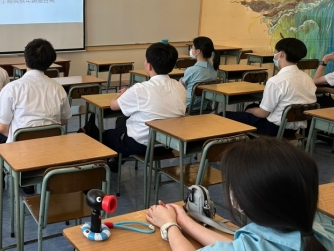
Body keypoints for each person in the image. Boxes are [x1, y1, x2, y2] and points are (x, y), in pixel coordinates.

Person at [146, 137, 334, 251]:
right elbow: (236, 246)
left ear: (253, 198)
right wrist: (183, 220)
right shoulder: (317, 226)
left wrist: (169, 225)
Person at [0, 39, 71, 197]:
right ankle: (28, 186)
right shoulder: (58, 88)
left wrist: (19, 135)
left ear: (25, 60)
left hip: (21, 156)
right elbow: (64, 120)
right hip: (52, 153)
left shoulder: (12, 88)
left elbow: (2, 128)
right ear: (50, 63)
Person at [102, 42, 186, 170]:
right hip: (170, 144)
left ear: (149, 66)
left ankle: (112, 165)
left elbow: (113, 106)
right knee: (122, 120)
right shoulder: (180, 87)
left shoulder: (140, 89)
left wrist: (119, 95)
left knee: (106, 135)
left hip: (142, 146)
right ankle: (117, 159)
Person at [225, 38, 316, 136]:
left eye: (276, 52)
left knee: (224, 115)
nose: (275, 55)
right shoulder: (308, 79)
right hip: (292, 130)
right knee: (251, 107)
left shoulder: (276, 81)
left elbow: (263, 113)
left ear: (281, 54)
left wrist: (250, 111)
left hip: (272, 129)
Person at [181, 36, 219, 113]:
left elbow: (182, 86)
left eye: (192, 47)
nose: (191, 49)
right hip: (206, 106)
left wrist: (181, 81)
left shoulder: (191, 70)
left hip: (190, 105)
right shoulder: (214, 69)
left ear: (198, 51)